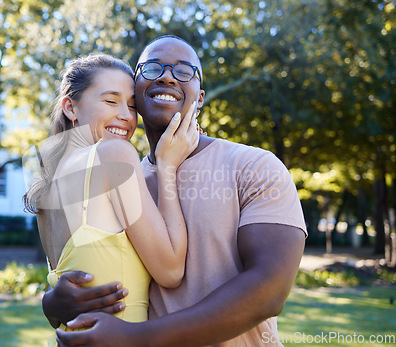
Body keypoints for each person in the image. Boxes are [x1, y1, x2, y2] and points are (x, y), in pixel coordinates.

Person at [48, 36, 308, 347]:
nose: (168, 76)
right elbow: (86, 263)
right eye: (153, 67)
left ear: (199, 98)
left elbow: (269, 291)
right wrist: (52, 302)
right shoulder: (118, 177)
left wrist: (136, 338)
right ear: (138, 91)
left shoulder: (254, 166)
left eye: (184, 71)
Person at [23, 54, 199, 344]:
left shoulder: (48, 187)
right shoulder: (114, 154)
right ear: (70, 107)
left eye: (132, 105)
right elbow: (170, 271)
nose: (127, 116)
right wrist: (168, 166)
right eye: (110, 101)